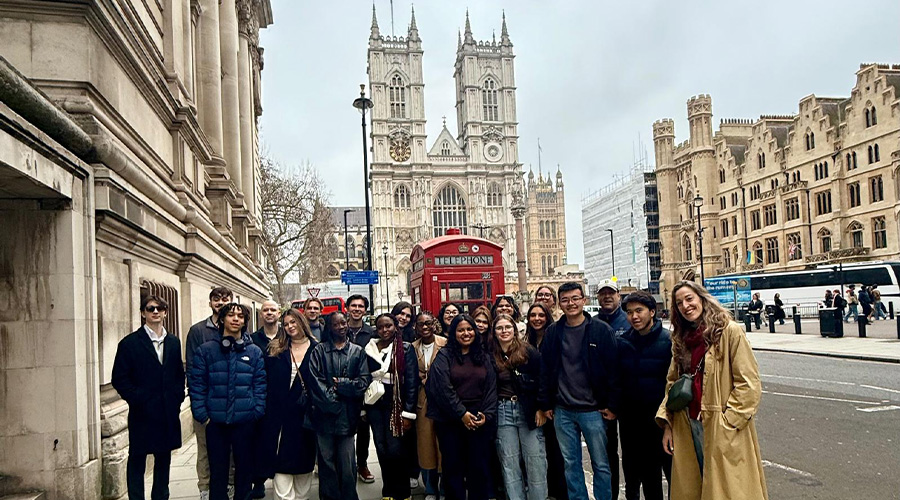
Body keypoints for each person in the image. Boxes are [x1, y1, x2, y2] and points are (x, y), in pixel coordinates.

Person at [657, 281, 768, 499]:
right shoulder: (681, 339)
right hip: (687, 423)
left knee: (729, 490)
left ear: (701, 298)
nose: (686, 306)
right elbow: (672, 383)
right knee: (696, 487)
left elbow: (748, 383)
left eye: (689, 299)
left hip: (719, 424)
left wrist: (729, 422)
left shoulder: (729, 331)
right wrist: (667, 424)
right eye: (679, 303)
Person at [539, 282, 620, 500]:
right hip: (563, 410)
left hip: (594, 410)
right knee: (571, 465)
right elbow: (545, 370)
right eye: (565, 299)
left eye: (575, 298)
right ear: (559, 303)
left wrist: (613, 406)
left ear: (584, 300)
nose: (571, 303)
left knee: (601, 464)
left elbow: (613, 370)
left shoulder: (601, 330)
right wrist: (546, 404)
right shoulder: (553, 333)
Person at [189, 302, 266, 500]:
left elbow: (260, 384)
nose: (235, 319)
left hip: (245, 421)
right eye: (231, 315)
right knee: (218, 472)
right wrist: (202, 415)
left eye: (240, 316)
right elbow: (197, 384)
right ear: (222, 319)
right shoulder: (206, 351)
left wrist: (256, 411)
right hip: (215, 422)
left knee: (244, 471)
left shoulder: (254, 352)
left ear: (245, 322)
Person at [112, 295, 185, 500]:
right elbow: (120, 378)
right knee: (137, 459)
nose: (155, 312)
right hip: (142, 413)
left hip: (166, 412)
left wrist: (176, 399)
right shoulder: (129, 343)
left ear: (165, 312)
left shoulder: (173, 342)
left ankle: (161, 496)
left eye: (160, 308)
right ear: (143, 313)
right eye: (150, 308)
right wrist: (139, 399)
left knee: (164, 459)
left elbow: (179, 374)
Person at [426, 314, 498, 500]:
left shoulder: (483, 356)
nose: (466, 333)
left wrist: (486, 415)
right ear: (453, 333)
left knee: (479, 469)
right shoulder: (444, 356)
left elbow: (491, 386)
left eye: (469, 329)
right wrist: (461, 414)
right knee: (453, 469)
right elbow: (441, 388)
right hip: (450, 420)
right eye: (461, 330)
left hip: (479, 419)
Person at [305, 312, 372, 500]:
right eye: (336, 324)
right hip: (324, 415)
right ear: (329, 327)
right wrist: (334, 401)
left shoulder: (357, 351)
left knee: (347, 463)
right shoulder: (319, 351)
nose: (342, 327)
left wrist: (342, 384)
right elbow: (315, 382)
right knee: (326, 463)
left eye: (344, 323)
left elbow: (363, 381)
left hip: (347, 417)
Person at [256, 309, 318, 500]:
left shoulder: (317, 348)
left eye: (294, 322)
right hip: (278, 418)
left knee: (303, 468)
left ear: (302, 322)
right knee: (281, 466)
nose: (290, 326)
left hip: (305, 419)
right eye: (286, 323)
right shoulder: (276, 348)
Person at [617, 291, 672, 500]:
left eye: (639, 311)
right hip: (633, 421)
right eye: (630, 312)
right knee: (649, 479)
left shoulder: (668, 341)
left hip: (661, 420)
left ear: (652, 312)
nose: (634, 317)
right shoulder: (623, 343)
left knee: (673, 474)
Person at [492, 314, 548, 500]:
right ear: (494, 332)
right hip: (502, 410)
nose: (504, 331)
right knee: (509, 462)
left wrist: (541, 407)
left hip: (528, 410)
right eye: (499, 328)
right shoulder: (491, 354)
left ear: (514, 330)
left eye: (508, 327)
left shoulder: (528, 352)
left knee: (535, 461)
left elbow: (543, 379)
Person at [184, 286, 232, 500]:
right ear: (210, 302)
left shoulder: (237, 327)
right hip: (206, 401)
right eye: (216, 299)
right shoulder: (197, 331)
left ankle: (230, 486)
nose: (220, 302)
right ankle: (205, 489)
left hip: (230, 402)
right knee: (204, 450)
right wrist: (199, 407)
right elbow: (193, 370)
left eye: (225, 299)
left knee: (230, 451)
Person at [364, 314, 419, 500]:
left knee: (396, 450)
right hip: (375, 405)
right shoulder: (370, 348)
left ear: (395, 326)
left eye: (388, 326)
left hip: (397, 405)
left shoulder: (405, 348)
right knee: (381, 448)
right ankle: (387, 490)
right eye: (380, 327)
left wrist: (408, 413)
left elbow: (412, 382)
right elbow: (365, 378)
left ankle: (402, 492)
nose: (385, 330)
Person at [524, 302, 568, 500]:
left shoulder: (555, 337)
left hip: (553, 402)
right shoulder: (526, 342)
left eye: (541, 315)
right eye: (533, 315)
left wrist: (546, 404)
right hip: (532, 403)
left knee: (556, 449)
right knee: (538, 452)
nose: (536, 319)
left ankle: (560, 491)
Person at [593, 278, 627, 496]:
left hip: (630, 396)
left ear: (618, 297)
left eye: (611, 293)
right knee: (607, 453)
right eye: (603, 293)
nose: (607, 297)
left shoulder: (629, 320)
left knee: (635, 454)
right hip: (604, 400)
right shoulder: (592, 323)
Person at [412, 311, 447, 500]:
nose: (425, 327)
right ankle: (430, 489)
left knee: (444, 447)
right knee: (426, 448)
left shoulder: (446, 343)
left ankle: (444, 489)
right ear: (415, 327)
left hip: (443, 401)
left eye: (428, 324)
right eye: (420, 324)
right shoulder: (412, 347)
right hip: (422, 402)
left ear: (434, 324)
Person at [390, 301, 422, 488]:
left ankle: (412, 471)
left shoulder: (413, 337)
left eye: (408, 316)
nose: (403, 317)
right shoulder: (385, 333)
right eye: (401, 313)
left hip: (409, 394)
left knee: (410, 437)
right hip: (390, 396)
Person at [345, 294, 376, 483]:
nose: (357, 309)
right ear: (348, 308)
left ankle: (362, 464)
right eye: (354, 306)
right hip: (343, 384)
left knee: (364, 428)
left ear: (365, 310)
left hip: (366, 385)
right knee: (346, 427)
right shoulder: (338, 328)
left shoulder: (371, 333)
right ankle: (346, 465)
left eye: (361, 306)